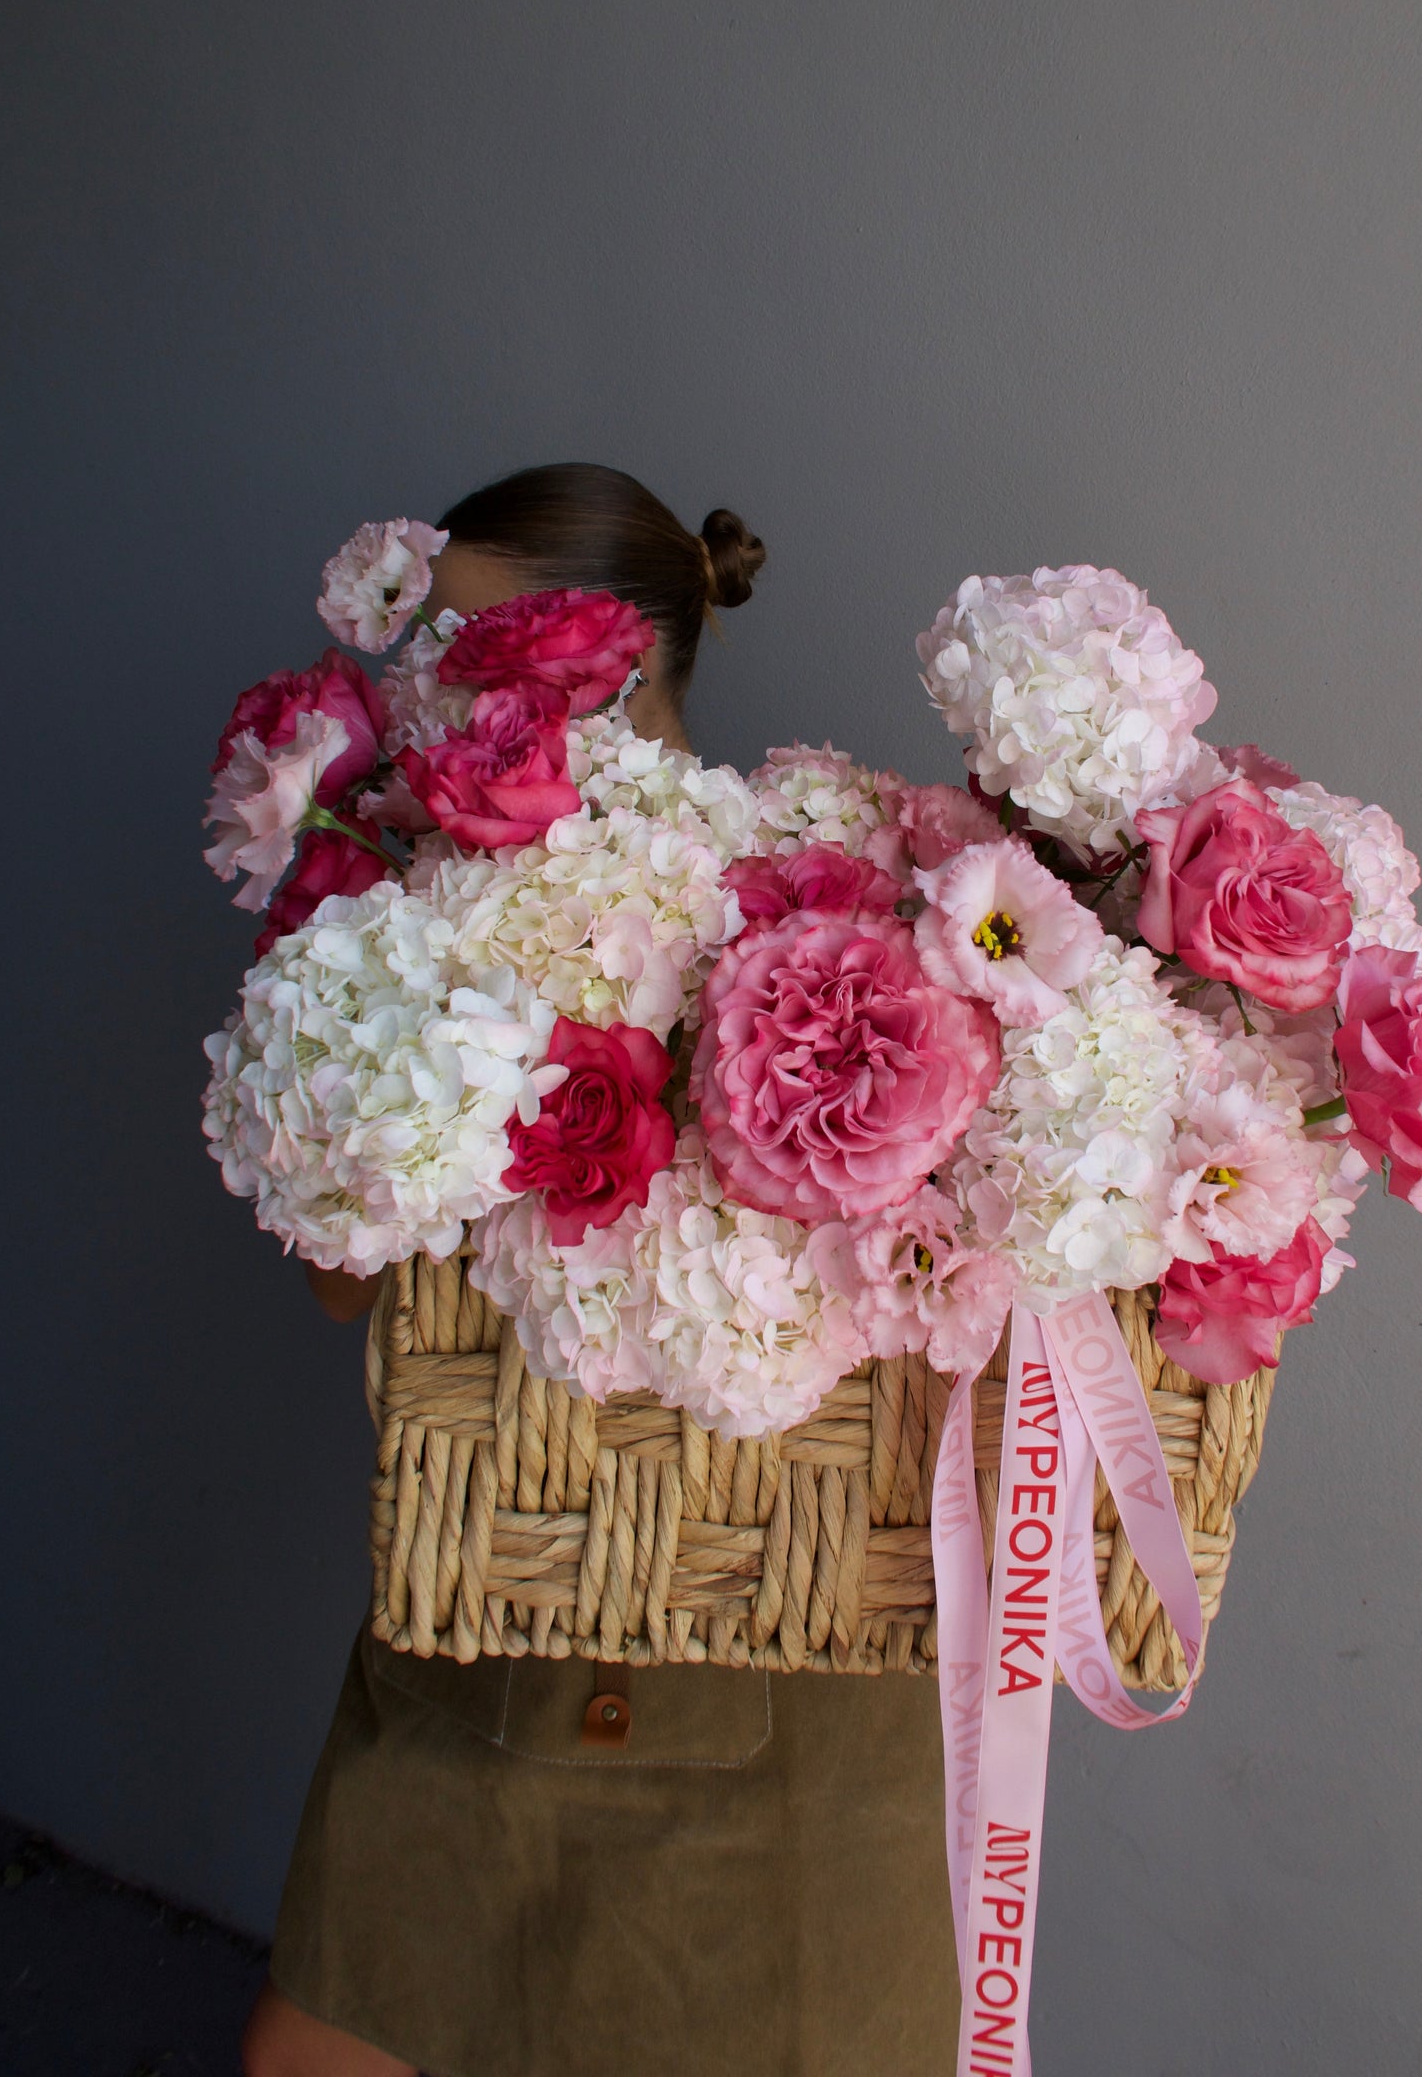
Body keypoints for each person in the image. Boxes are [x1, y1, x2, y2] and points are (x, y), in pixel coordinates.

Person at [242, 465, 958, 2077]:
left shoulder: (831, 901)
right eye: (430, 660)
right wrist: (390, 1113)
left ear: (615, 669)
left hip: (772, 1637)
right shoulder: (414, 912)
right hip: (497, 1598)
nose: (438, 701)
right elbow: (342, 1293)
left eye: (479, 659)